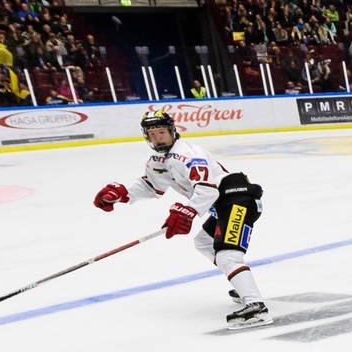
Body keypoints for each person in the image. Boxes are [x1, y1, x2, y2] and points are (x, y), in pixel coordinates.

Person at [94, 110, 268, 328]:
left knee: (227, 256)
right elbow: (151, 186)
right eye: (153, 134)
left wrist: (188, 211)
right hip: (222, 206)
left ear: (173, 131)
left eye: (162, 132)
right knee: (203, 242)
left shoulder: (189, 154)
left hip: (238, 201)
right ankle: (243, 286)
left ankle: (256, 307)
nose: (158, 138)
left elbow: (207, 191)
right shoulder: (157, 160)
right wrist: (122, 195)